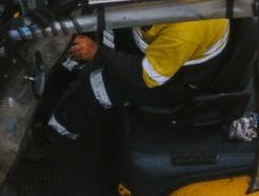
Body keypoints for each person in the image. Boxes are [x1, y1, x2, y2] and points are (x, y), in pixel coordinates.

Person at [40, 19, 231, 144]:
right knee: (92, 29)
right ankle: (55, 82)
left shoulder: (186, 30)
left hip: (170, 80)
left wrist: (97, 53)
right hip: (149, 39)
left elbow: (146, 75)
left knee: (99, 86)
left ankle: (54, 133)